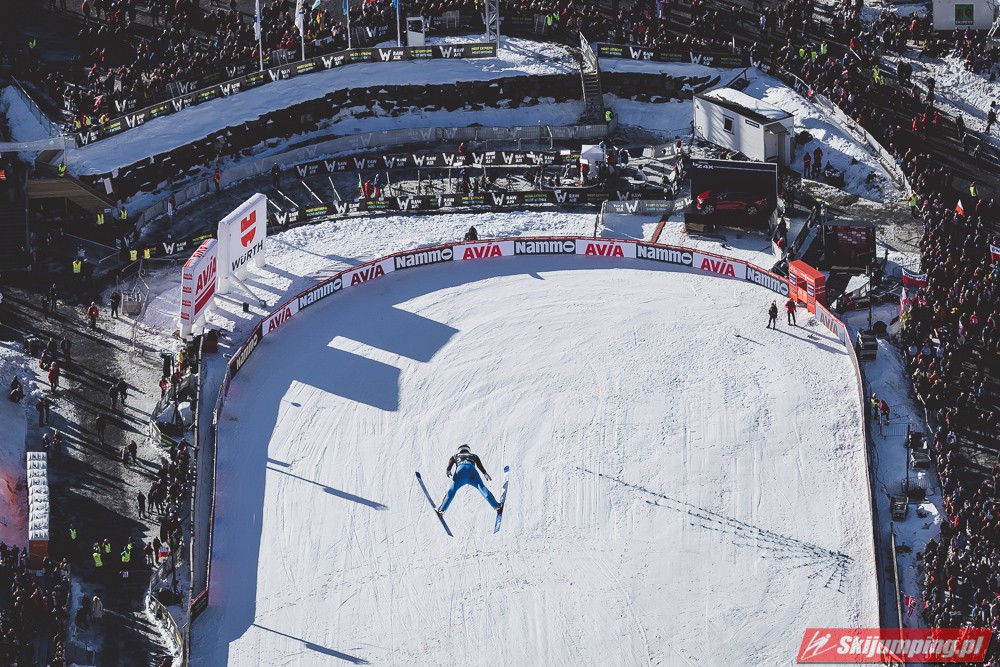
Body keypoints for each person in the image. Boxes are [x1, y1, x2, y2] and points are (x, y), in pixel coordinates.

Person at [436, 444, 503, 516]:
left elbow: (450, 463)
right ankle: (496, 506)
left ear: (459, 450)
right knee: (482, 488)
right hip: (472, 471)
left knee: (452, 491)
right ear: (468, 450)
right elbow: (479, 465)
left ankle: (441, 510)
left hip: (460, 471)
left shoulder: (455, 456)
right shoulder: (474, 456)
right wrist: (485, 473)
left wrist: (448, 470)